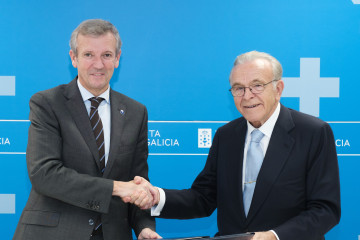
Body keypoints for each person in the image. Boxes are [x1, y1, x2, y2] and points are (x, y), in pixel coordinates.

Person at [133, 51, 341, 240]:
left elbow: (325, 210)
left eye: (257, 85)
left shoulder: (313, 132)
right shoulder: (226, 136)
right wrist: (157, 196)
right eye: (238, 88)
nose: (247, 96)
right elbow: (203, 198)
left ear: (278, 89)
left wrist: (274, 236)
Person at [13, 19, 160, 240]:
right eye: (89, 54)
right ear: (74, 58)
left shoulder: (136, 112)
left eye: (107, 55)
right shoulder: (47, 103)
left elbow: (137, 182)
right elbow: (44, 174)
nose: (98, 64)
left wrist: (144, 227)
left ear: (118, 58)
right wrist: (116, 188)